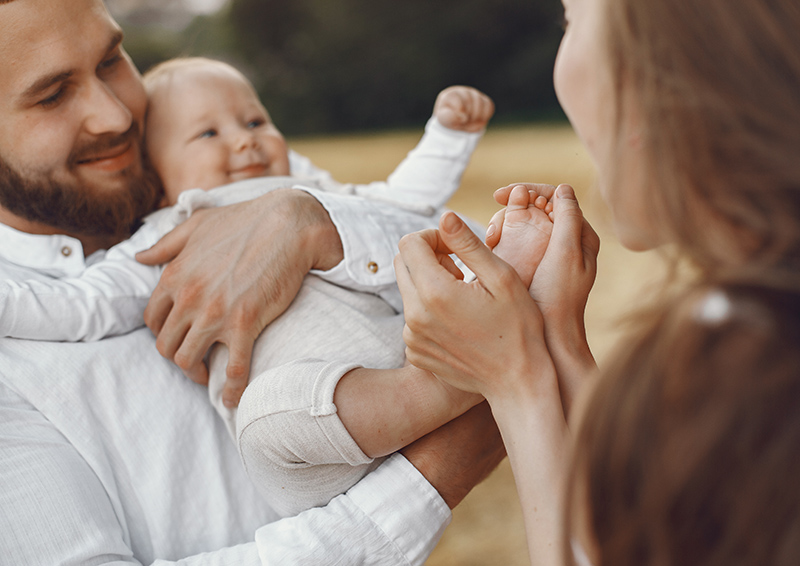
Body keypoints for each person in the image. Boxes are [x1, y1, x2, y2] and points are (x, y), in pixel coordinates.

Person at [0, 0, 506, 563]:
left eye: (113, 58)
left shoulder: (226, 177)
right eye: (51, 94)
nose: (117, 116)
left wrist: (313, 226)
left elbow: (419, 219)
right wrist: (437, 474)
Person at [394, 0, 800, 564]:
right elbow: (650, 515)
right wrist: (552, 335)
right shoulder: (797, 310)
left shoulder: (756, 364)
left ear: (664, 61)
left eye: (570, 18)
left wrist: (515, 380)